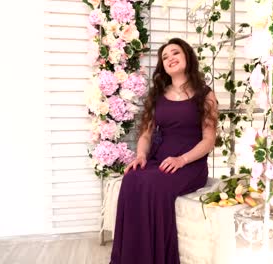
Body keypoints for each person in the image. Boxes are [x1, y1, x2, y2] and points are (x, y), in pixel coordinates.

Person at [109, 37, 218, 264]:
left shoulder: (205, 95)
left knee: (152, 185)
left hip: (189, 165)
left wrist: (182, 159)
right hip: (160, 160)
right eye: (165, 57)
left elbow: (209, 140)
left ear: (187, 56)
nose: (170, 59)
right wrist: (140, 155)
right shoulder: (157, 95)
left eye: (175, 53)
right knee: (131, 178)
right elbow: (146, 134)